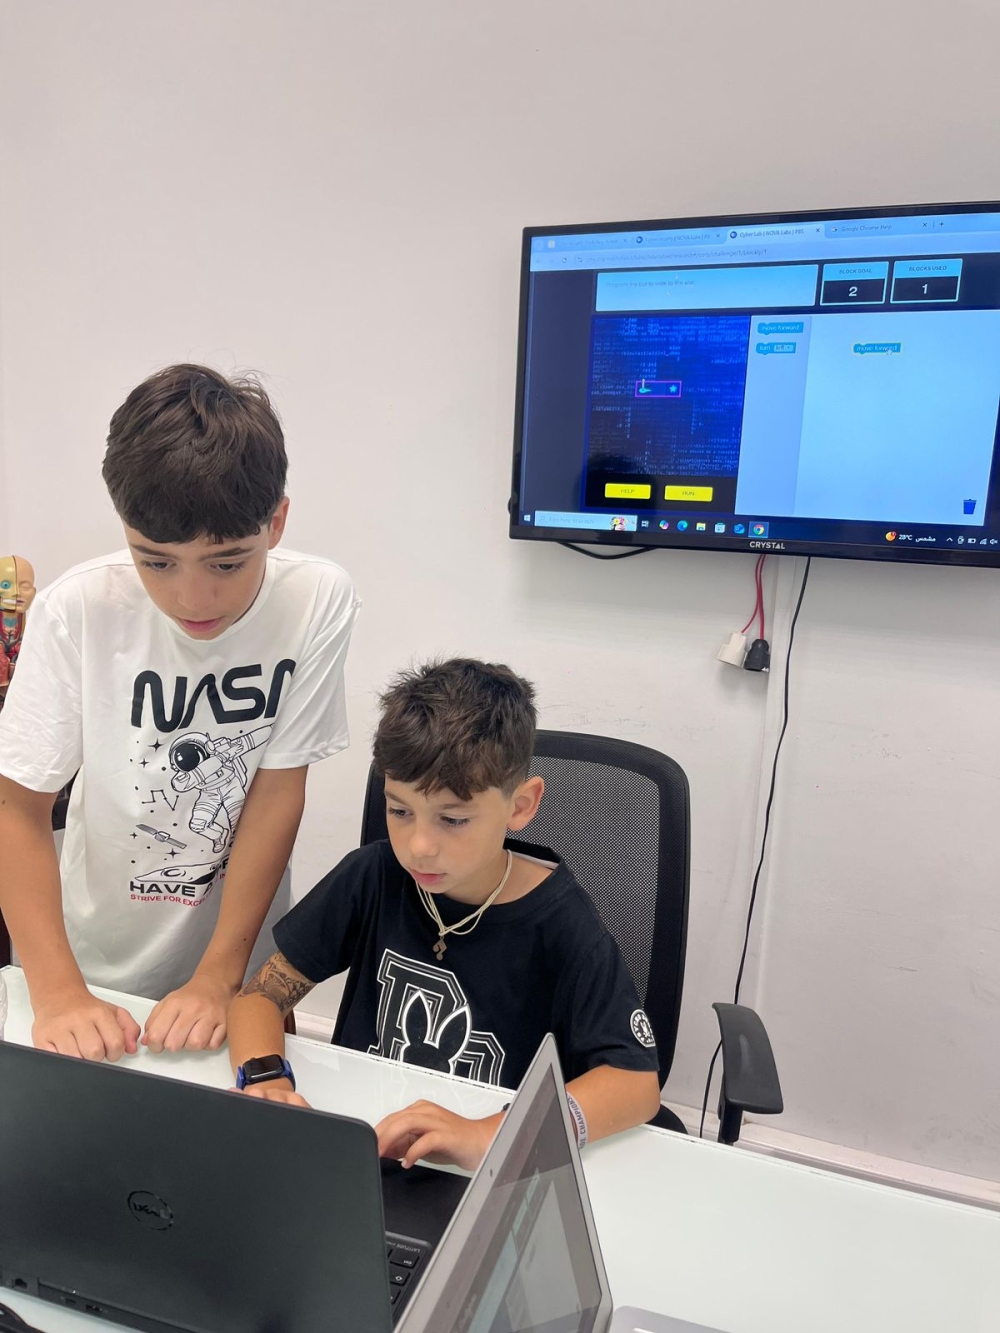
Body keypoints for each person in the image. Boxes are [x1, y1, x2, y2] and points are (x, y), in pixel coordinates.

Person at [0, 364, 360, 1064]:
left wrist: (220, 976)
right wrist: (58, 990)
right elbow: (17, 808)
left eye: (226, 563)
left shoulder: (317, 599)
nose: (192, 598)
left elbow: (277, 790)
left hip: (238, 966)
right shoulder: (78, 607)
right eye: (156, 562)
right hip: (90, 959)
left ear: (276, 522)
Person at [227, 659, 661, 1171]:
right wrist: (265, 1078)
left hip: (485, 1168)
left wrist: (487, 1136)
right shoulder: (373, 875)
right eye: (399, 810)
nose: (419, 846)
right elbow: (260, 997)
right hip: (365, 1144)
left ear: (521, 806)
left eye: (453, 819)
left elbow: (635, 1085)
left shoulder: (564, 924)